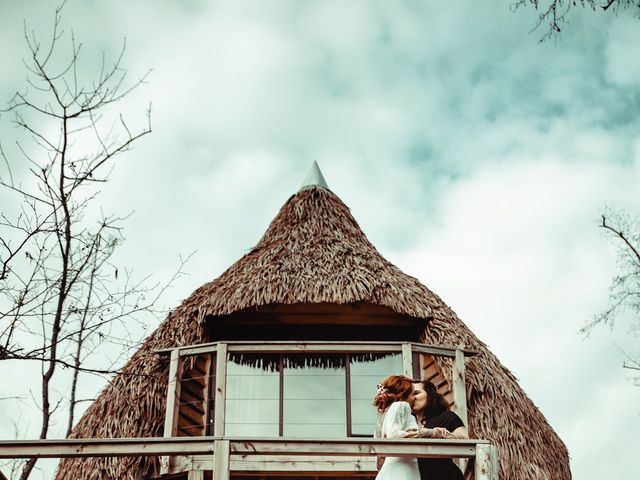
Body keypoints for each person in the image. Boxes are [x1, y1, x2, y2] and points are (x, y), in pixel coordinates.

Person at [410, 380, 469, 480]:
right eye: (409, 395)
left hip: (445, 475)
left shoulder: (447, 417)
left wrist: (438, 434)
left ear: (430, 394)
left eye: (416, 393)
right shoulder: (407, 423)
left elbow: (465, 440)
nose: (412, 398)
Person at [373, 374, 421, 480]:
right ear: (403, 395)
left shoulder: (384, 415)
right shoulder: (402, 406)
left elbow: (378, 461)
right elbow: (394, 435)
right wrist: (419, 435)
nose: (414, 398)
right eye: (412, 394)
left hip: (388, 469)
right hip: (402, 469)